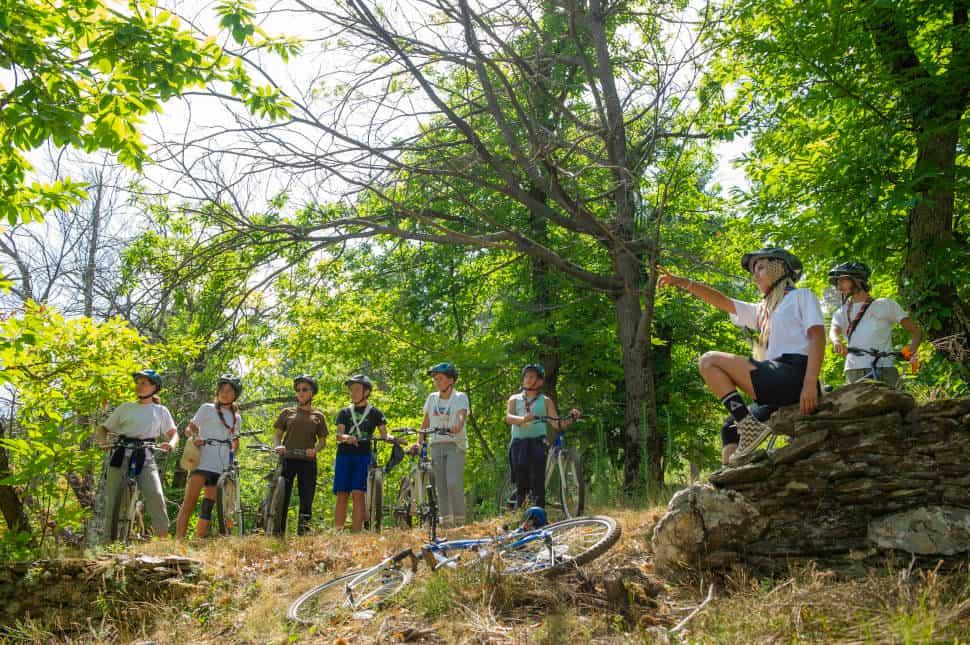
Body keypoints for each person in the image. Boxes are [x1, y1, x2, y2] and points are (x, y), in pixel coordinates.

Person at [658, 248, 825, 464]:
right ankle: (730, 484)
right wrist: (682, 282)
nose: (755, 275)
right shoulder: (763, 309)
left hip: (796, 374)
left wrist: (810, 384)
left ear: (780, 268)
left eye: (761, 267)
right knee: (729, 428)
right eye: (753, 271)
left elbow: (818, 338)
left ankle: (750, 429)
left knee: (709, 360)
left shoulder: (802, 296)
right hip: (775, 380)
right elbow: (723, 301)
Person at [97, 369, 178, 539]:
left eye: (144, 383)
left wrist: (170, 444)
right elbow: (103, 428)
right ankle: (109, 545)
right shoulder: (126, 407)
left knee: (155, 495)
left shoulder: (161, 411)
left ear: (154, 387)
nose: (139, 386)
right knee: (112, 502)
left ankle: (164, 542)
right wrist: (101, 441)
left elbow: (173, 434)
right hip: (120, 453)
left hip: (145, 455)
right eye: (138, 383)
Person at [827, 261, 922, 386]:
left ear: (858, 280)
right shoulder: (841, 312)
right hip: (854, 370)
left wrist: (911, 349)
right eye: (837, 283)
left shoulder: (886, 304)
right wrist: (836, 341)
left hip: (886, 369)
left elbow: (916, 331)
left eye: (842, 281)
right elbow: (833, 330)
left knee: (896, 405)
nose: (839, 287)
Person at [175, 374, 243, 540]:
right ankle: (178, 540)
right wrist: (195, 437)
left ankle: (198, 539)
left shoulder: (236, 417)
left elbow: (236, 441)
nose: (224, 393)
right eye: (222, 390)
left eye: (228, 391)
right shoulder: (207, 408)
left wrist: (232, 454)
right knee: (189, 502)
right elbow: (189, 428)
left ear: (235, 395)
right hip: (202, 460)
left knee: (208, 505)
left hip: (221, 466)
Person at [505, 364, 580, 509]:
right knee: (522, 482)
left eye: (532, 377)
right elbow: (508, 417)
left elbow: (557, 423)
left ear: (539, 382)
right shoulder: (514, 399)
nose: (527, 379)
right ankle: (521, 517)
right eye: (526, 376)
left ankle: (539, 518)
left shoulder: (545, 401)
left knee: (537, 480)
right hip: (519, 444)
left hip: (538, 443)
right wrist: (522, 420)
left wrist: (572, 418)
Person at [272, 375, 328, 535]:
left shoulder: (319, 416)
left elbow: (323, 441)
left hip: (307, 460)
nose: (300, 393)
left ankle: (303, 535)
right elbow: (277, 435)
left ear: (312, 392)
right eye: (298, 390)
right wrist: (278, 446)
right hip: (287, 458)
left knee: (306, 498)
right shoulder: (287, 412)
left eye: (305, 389)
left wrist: (315, 450)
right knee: (283, 497)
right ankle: (278, 533)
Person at [333, 374, 389, 532]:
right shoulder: (344, 412)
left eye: (357, 389)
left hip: (363, 455)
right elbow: (338, 435)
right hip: (344, 455)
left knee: (358, 494)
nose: (353, 393)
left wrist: (395, 439)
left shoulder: (375, 413)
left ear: (366, 392)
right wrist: (346, 437)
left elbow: (385, 434)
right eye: (351, 390)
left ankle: (356, 533)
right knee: (342, 494)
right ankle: (338, 531)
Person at [418, 363, 469, 528]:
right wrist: (420, 439)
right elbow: (425, 421)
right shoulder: (432, 398)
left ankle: (460, 522)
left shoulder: (460, 397)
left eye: (440, 379)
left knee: (453, 482)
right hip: (436, 444)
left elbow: (462, 416)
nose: (437, 382)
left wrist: (457, 426)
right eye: (435, 379)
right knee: (441, 485)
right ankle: (446, 523)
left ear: (451, 380)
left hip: (454, 444)